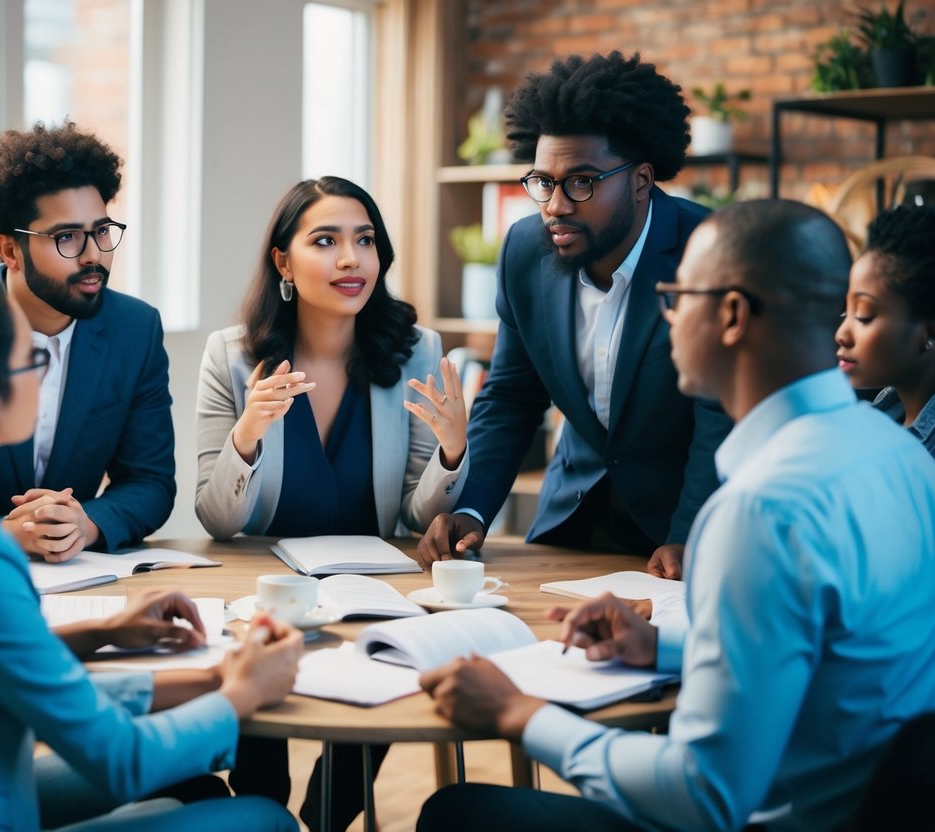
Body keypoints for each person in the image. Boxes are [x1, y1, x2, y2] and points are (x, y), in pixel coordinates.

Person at [417, 200, 935, 832]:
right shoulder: (902, 457)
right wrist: (662, 646)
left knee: (457, 813)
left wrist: (518, 714)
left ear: (732, 316)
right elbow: (827, 651)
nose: (666, 313)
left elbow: (705, 795)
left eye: (677, 293)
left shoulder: (759, 511)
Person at [0, 270, 304, 832]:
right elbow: (121, 761)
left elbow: (2, 669)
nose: (44, 377)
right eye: (32, 361)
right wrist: (239, 696)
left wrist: (116, 635)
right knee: (263, 818)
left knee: (199, 791)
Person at [194, 175, 469, 831]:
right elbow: (216, 520)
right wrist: (248, 434)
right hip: (260, 592)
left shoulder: (415, 351)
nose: (351, 260)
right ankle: (262, 814)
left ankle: (324, 819)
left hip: (371, 587)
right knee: (261, 757)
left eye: (364, 240)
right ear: (283, 263)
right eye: (326, 241)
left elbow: (411, 512)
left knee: (387, 680)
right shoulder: (232, 357)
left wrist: (452, 454)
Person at [415, 51, 732, 580]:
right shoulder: (524, 250)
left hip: (680, 535)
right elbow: (512, 397)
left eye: (581, 182)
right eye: (543, 181)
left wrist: (688, 533)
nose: (555, 205)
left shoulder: (711, 251)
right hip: (571, 519)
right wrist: (470, 510)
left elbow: (718, 414)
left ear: (641, 179)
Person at [0, 122, 176, 560]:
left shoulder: (136, 329)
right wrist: (0, 535)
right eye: (67, 238)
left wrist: (86, 523)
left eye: (101, 231)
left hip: (80, 576)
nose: (94, 255)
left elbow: (150, 481)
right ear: (9, 251)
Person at [835, 203, 935, 456]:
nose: (842, 335)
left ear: (928, 331)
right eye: (846, 312)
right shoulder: (881, 415)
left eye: (864, 316)